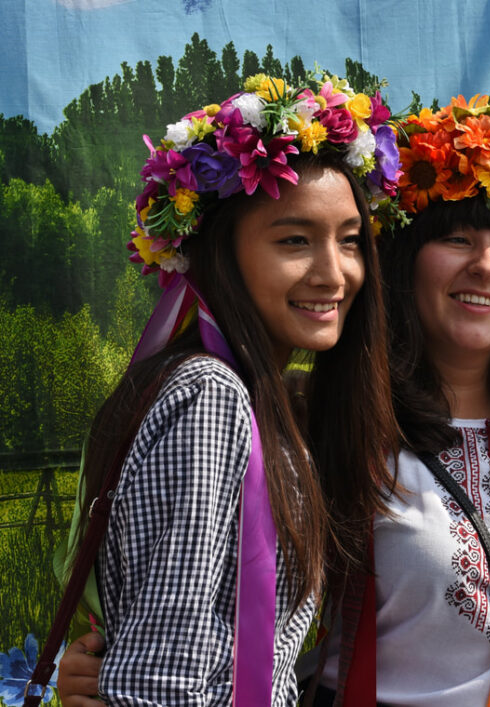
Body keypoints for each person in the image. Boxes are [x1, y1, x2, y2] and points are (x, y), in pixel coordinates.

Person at [52, 71, 401, 706]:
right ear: (222, 252)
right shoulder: (209, 397)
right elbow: (163, 683)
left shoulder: (262, 399)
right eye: (294, 240)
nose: (334, 273)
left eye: (349, 242)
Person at [293, 96, 490, 706]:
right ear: (403, 262)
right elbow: (231, 599)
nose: (486, 266)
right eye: (458, 239)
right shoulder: (333, 425)